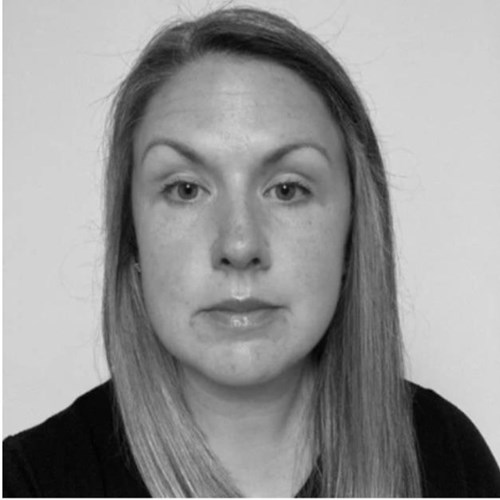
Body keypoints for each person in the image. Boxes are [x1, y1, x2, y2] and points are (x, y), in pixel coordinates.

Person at [3, 7, 500, 498]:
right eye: (185, 190)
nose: (239, 246)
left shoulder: (446, 456)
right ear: (132, 239)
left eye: (287, 189)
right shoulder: (30, 481)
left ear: (353, 233)